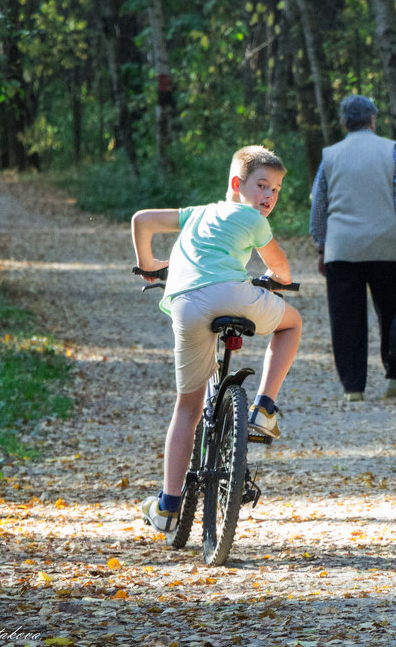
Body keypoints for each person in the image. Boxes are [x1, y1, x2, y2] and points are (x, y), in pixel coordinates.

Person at [132, 145, 302, 533]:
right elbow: (280, 266)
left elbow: (142, 220)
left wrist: (147, 265)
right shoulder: (250, 217)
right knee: (291, 324)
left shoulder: (196, 214)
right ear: (236, 184)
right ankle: (263, 407)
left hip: (186, 306)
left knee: (187, 409)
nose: (269, 197)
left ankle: (167, 506)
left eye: (275, 190)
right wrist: (279, 283)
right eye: (262, 185)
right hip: (231, 294)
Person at [309, 94, 396, 402]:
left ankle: (353, 387)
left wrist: (321, 246)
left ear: (344, 123)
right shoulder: (392, 152)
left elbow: (319, 205)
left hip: (342, 249)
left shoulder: (330, 156)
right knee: (391, 312)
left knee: (346, 318)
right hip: (386, 248)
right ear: (373, 119)